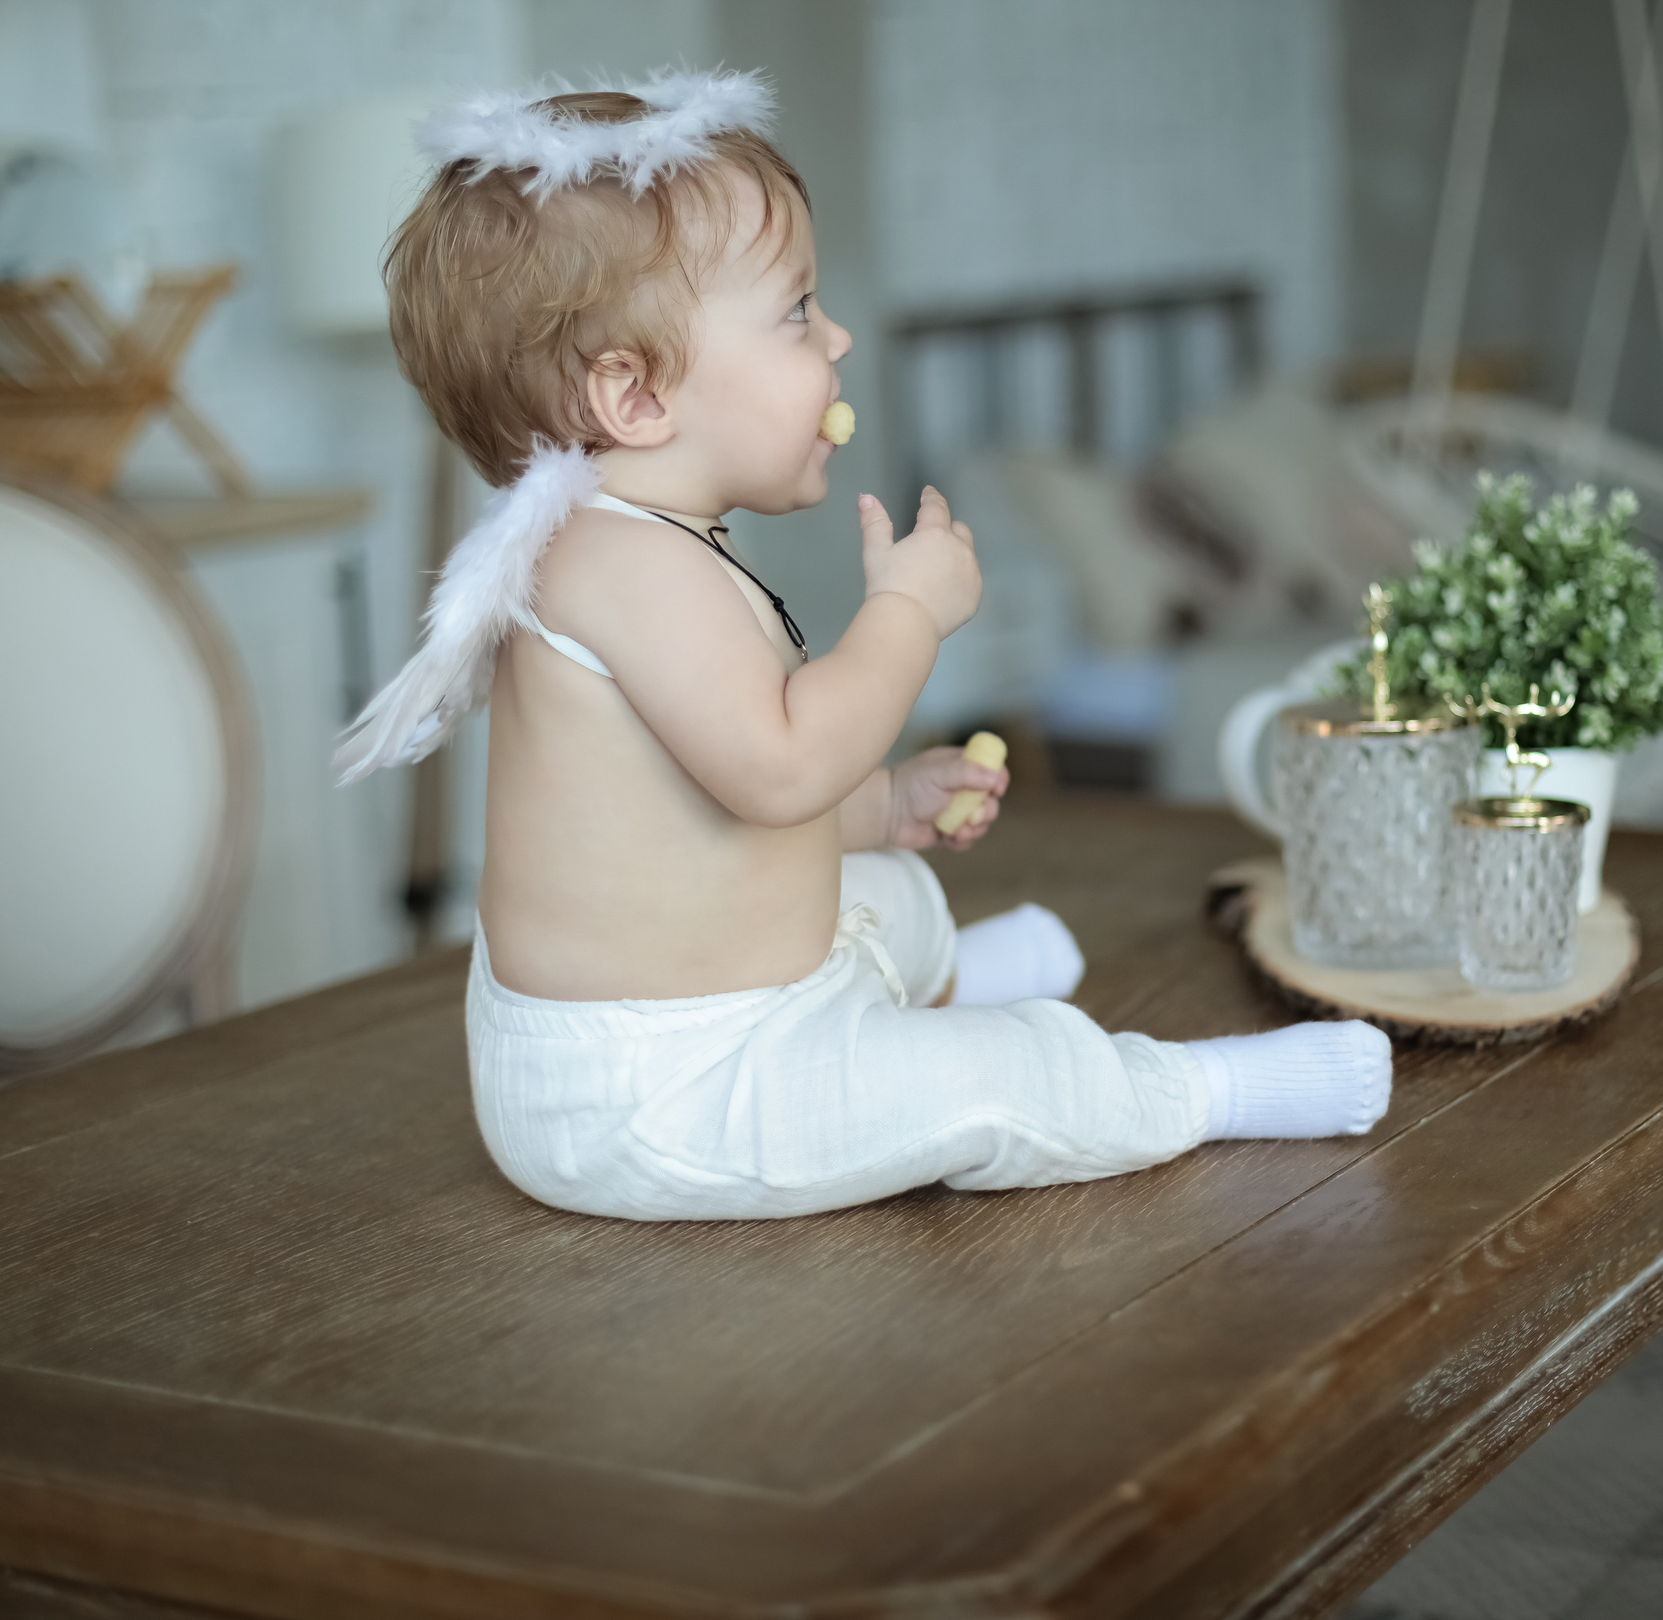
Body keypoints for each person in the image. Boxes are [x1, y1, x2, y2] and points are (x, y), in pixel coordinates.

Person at [337, 71, 1389, 1221]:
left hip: (727, 1013)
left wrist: (882, 805)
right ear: (633, 396)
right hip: (663, 1098)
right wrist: (906, 618)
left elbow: (717, 813)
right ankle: (1188, 1089)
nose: (834, 336)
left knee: (884, 883)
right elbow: (781, 767)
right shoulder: (618, 565)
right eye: (795, 312)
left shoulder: (647, 546)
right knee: (999, 1080)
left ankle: (933, 981)